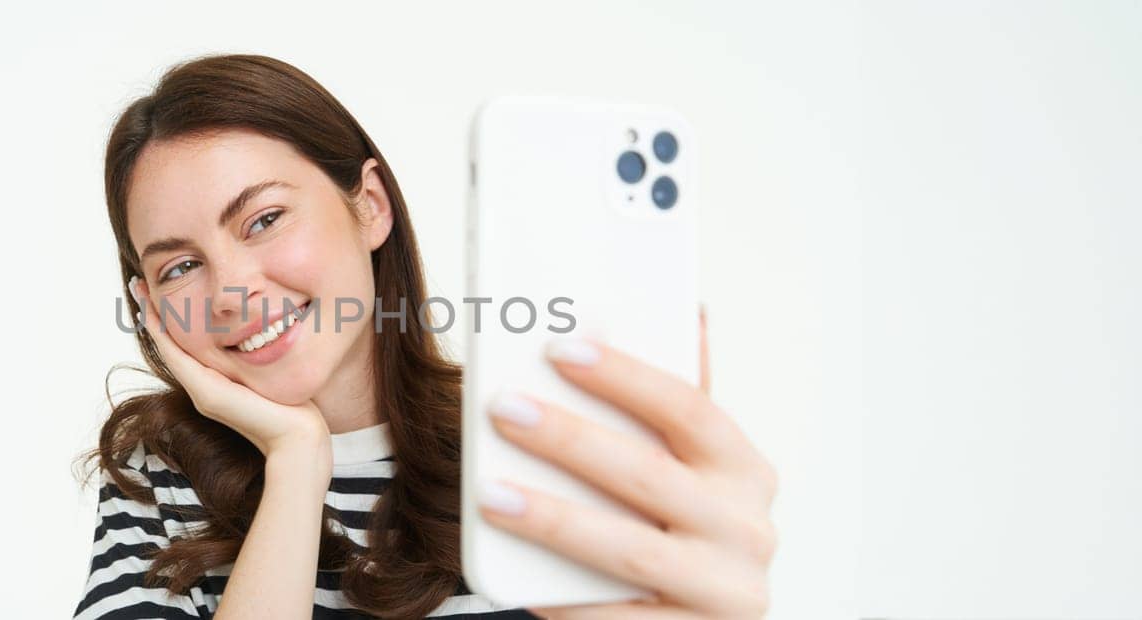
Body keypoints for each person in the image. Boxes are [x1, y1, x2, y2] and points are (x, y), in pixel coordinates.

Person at [74, 54, 777, 619]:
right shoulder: (154, 476)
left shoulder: (531, 450)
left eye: (264, 220)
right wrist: (295, 463)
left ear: (370, 206)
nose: (230, 294)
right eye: (182, 266)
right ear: (149, 301)